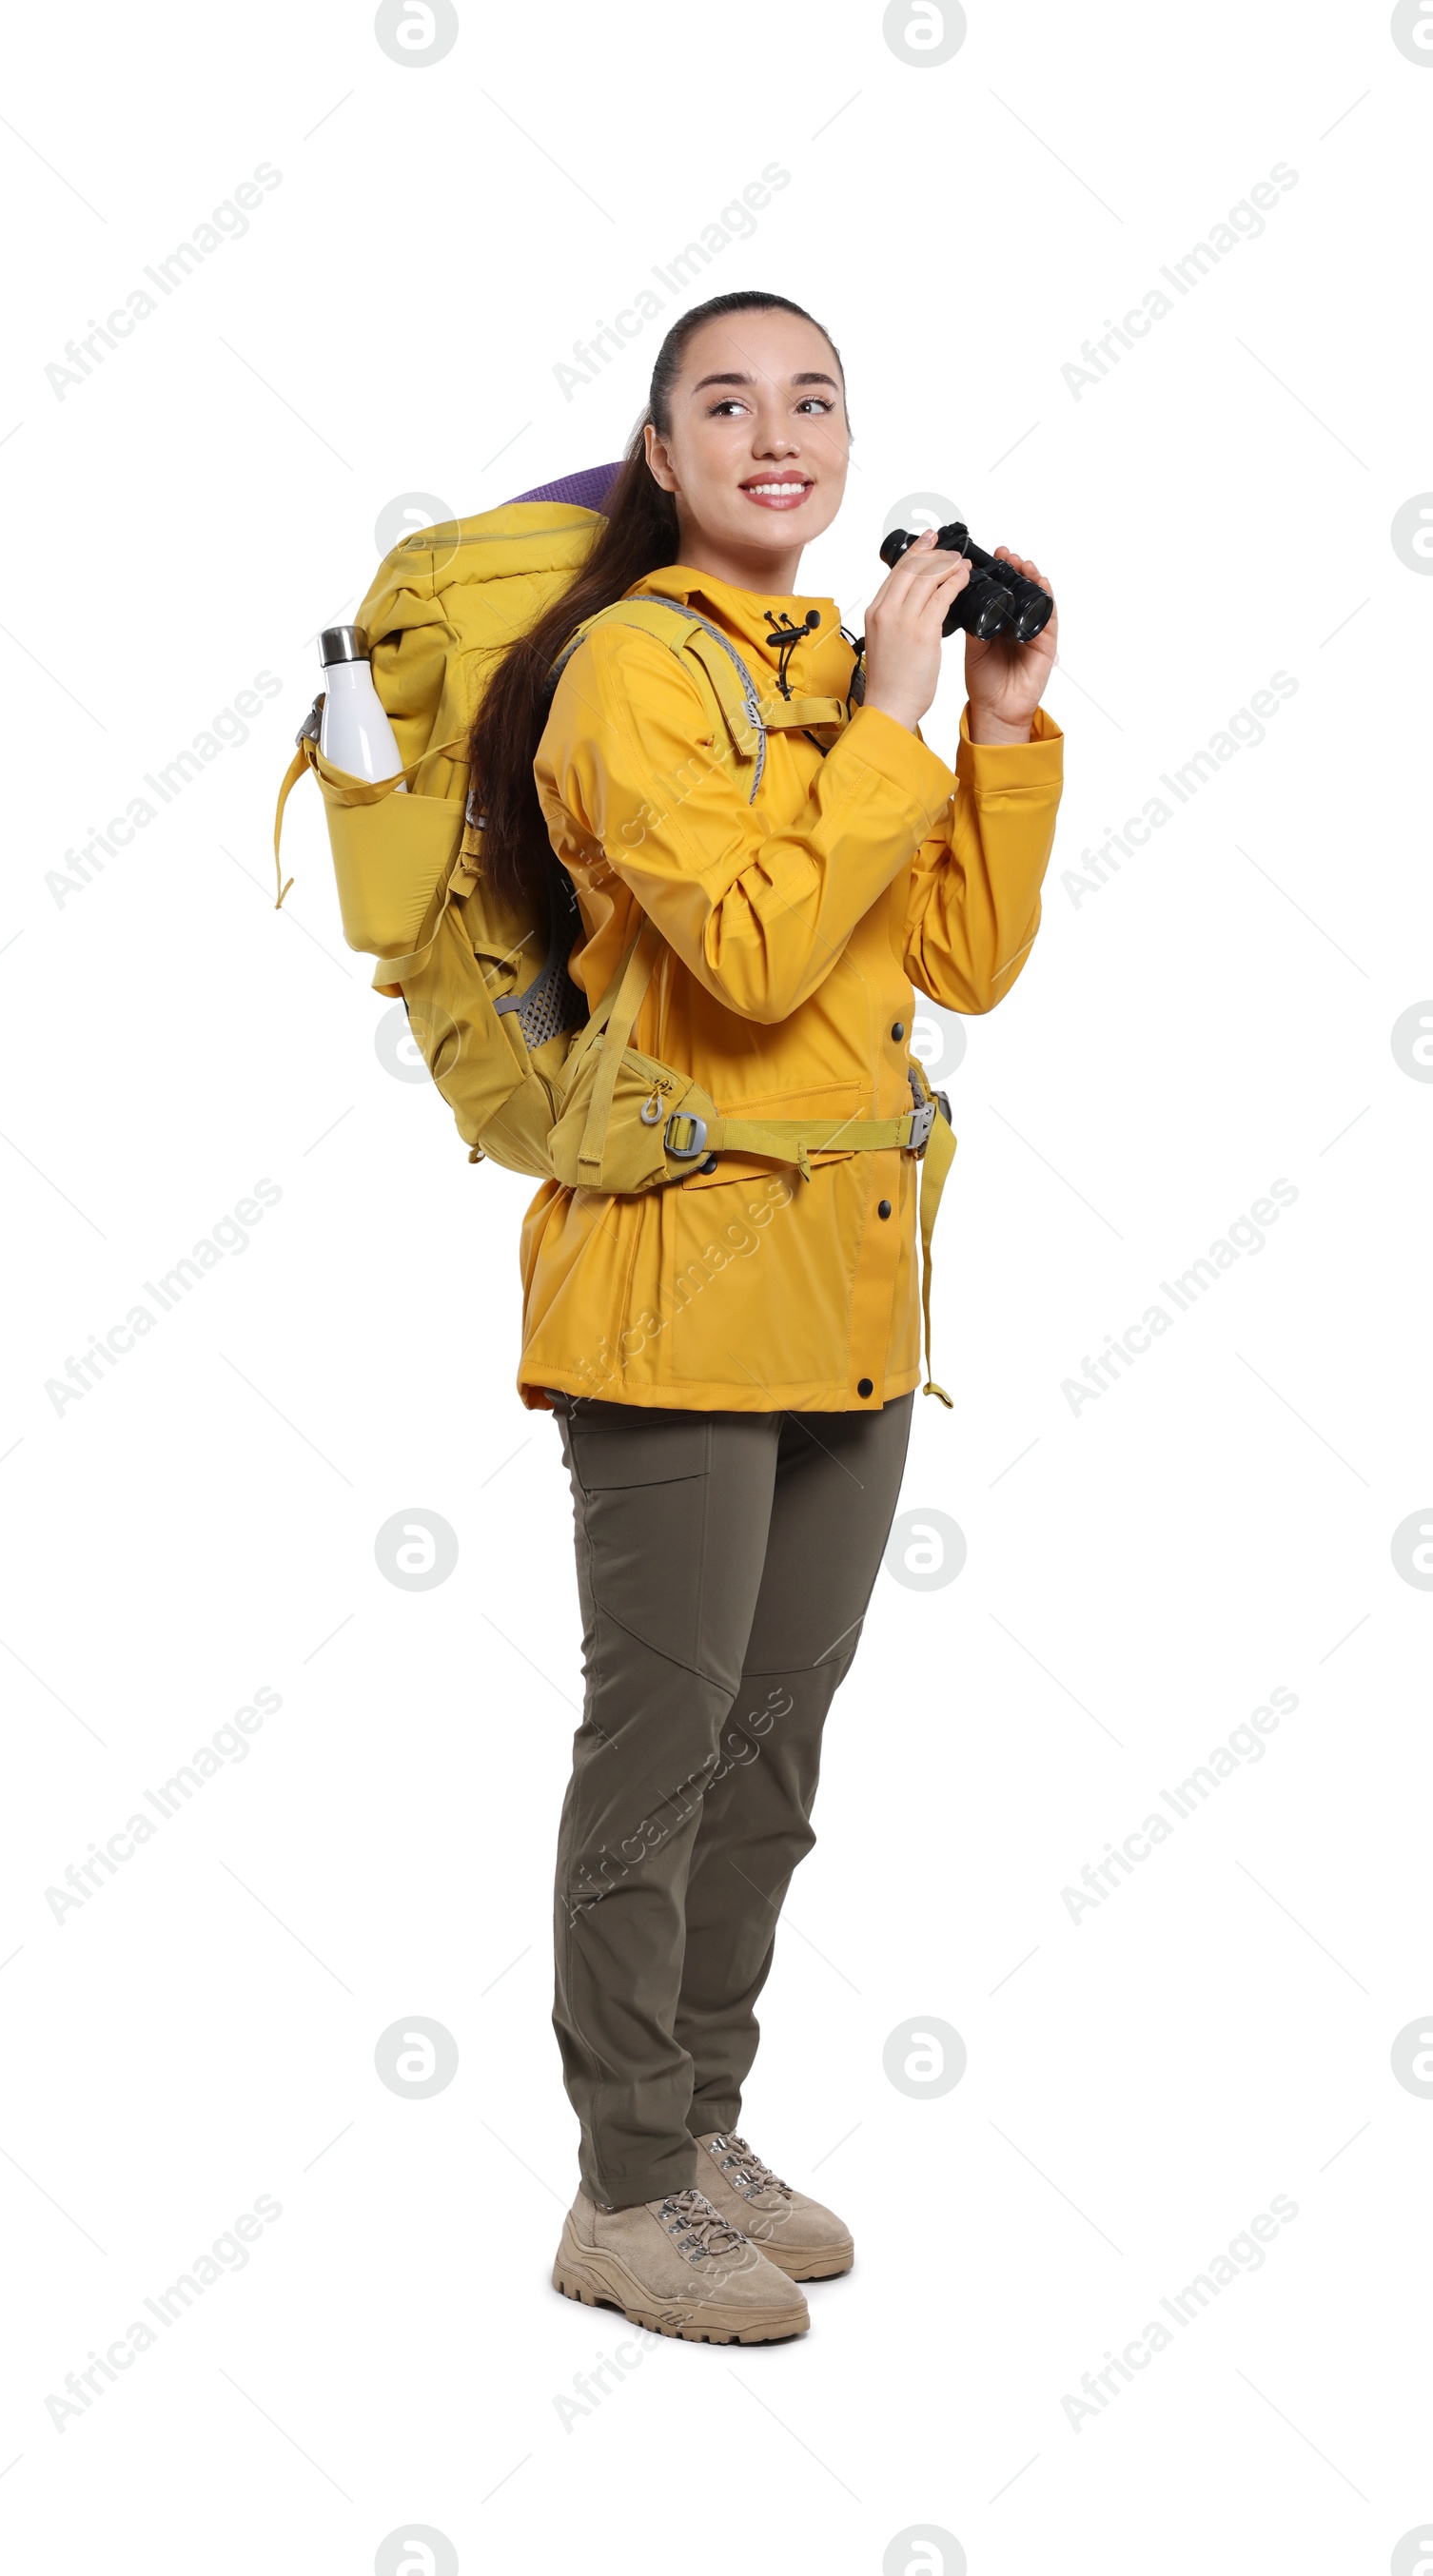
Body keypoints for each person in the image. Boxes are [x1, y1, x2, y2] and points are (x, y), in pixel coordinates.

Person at [469, 289, 1064, 2344]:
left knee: (769, 1750)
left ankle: (701, 2125)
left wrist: (988, 726)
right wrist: (895, 723)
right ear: (660, 454)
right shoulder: (630, 675)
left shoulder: (833, 664)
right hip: (671, 1288)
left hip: (850, 1289)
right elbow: (739, 950)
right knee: (653, 1754)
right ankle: (619, 2186)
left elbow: (959, 955)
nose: (778, 431)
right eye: (725, 402)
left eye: (813, 398)